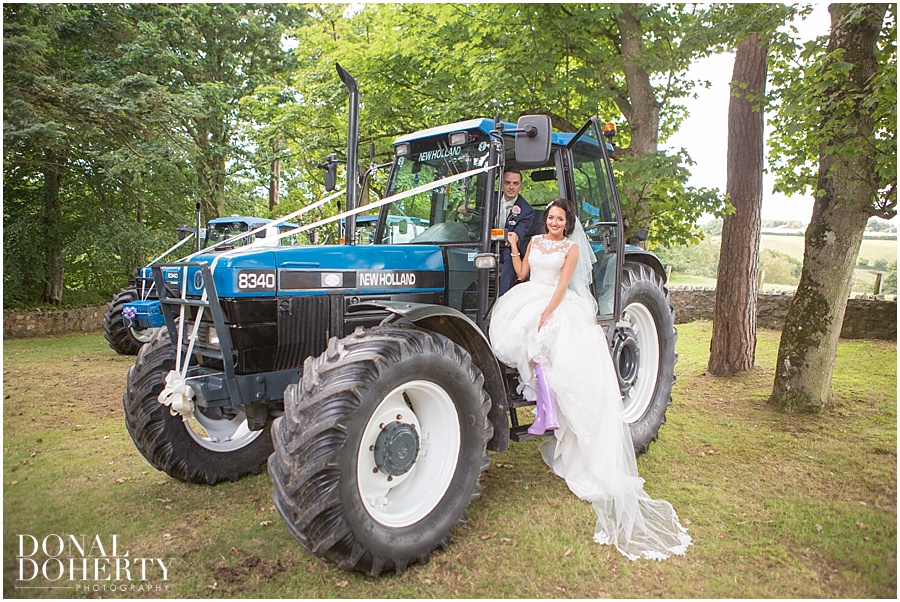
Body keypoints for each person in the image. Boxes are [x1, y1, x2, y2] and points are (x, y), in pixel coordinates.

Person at [489, 198, 692, 561]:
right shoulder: (535, 242)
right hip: (529, 294)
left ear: (567, 224)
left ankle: (546, 411)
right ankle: (544, 407)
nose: (553, 222)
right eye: (550, 217)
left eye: (559, 219)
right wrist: (516, 247)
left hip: (553, 302)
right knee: (523, 343)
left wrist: (546, 314)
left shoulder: (571, 249)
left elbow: (562, 287)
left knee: (545, 341)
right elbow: (521, 274)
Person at [497, 168, 534, 296]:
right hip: (486, 243)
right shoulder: (490, 199)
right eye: (507, 183)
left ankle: (502, 298)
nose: (511, 187)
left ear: (520, 185)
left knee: (510, 258)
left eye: (515, 183)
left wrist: (512, 238)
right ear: (502, 183)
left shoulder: (526, 210)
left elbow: (518, 234)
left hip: (507, 246)